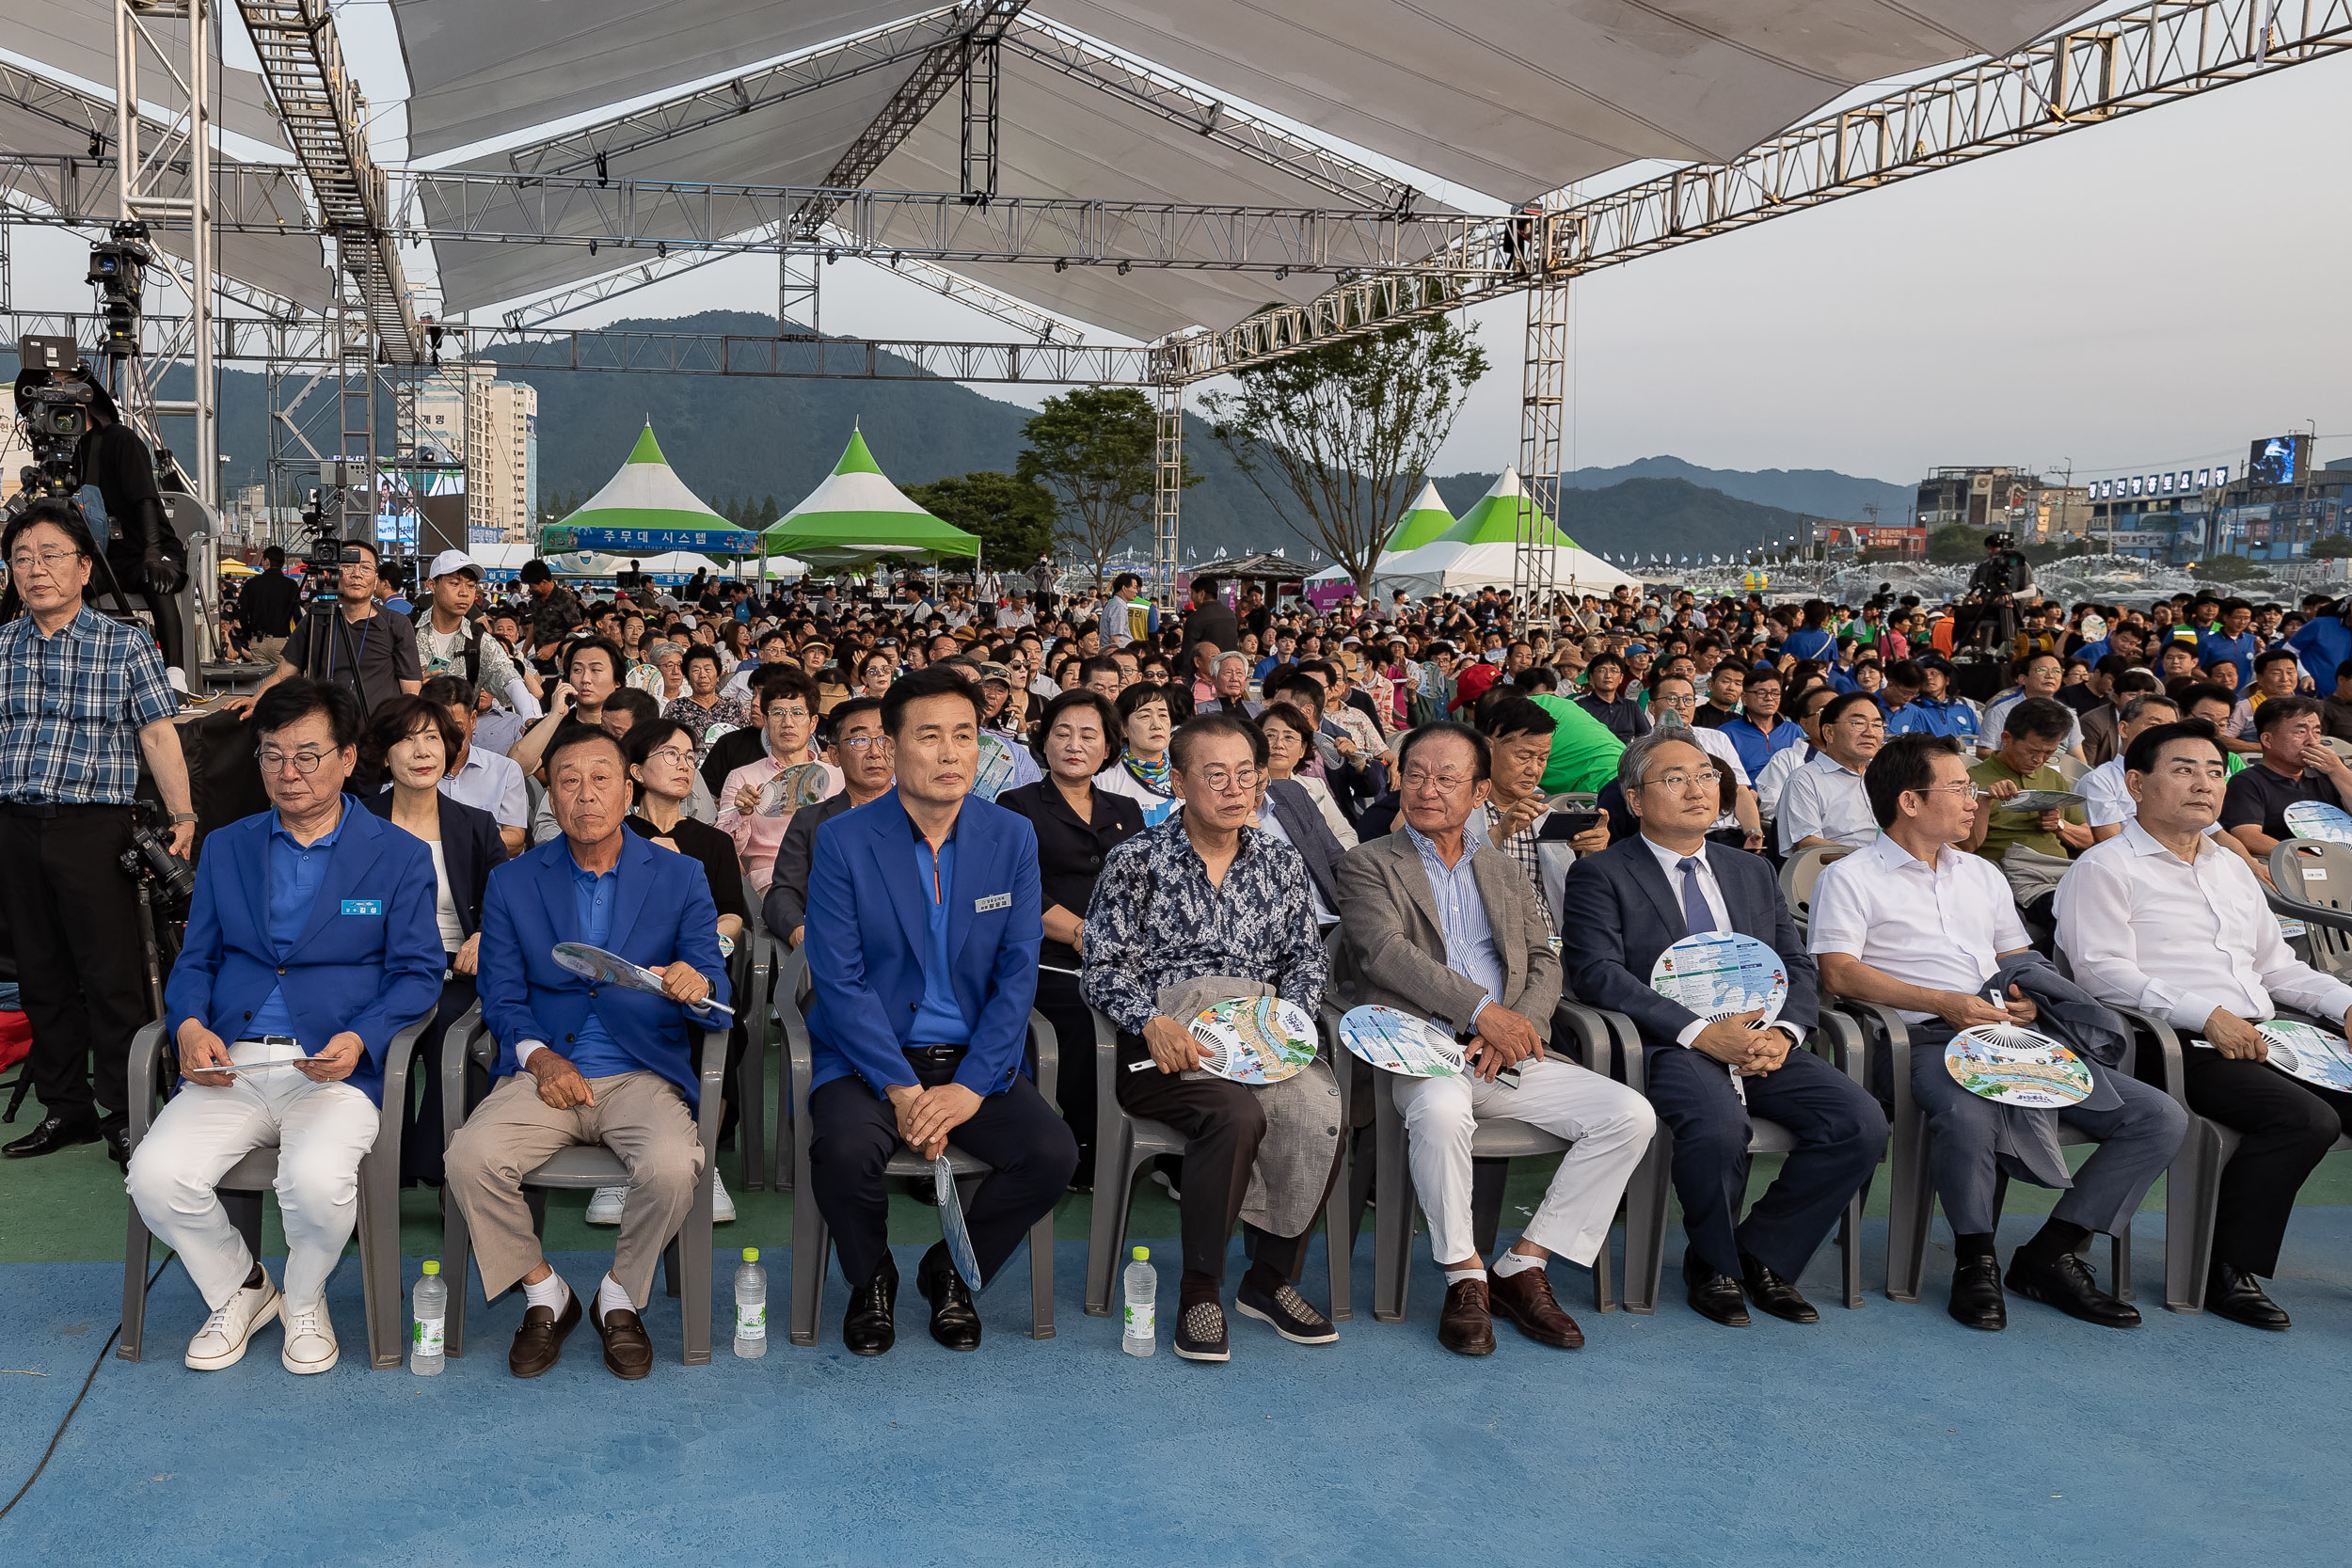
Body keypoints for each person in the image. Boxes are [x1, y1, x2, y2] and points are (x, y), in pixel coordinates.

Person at [1812, 734, 2186, 1331]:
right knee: (1969, 1113)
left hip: (2004, 1034)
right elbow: (1838, 971)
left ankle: (2051, 1252)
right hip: (1916, 1039)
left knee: (2157, 1117)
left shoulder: (1981, 875)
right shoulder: (1851, 875)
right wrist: (1945, 1003)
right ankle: (1975, 1259)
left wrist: (2028, 1001)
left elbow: (2017, 956)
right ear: (1910, 801)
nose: (1974, 798)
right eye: (1960, 788)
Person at [128, 678, 441, 1371]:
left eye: (307, 755)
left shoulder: (397, 857)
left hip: (336, 1065)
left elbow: (419, 974)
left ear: (348, 756)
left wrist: (362, 1035)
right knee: (154, 1173)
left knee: (317, 1177)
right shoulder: (231, 847)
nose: (288, 773)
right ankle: (244, 1287)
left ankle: (305, 1298)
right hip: (234, 1060)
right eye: (272, 756)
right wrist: (186, 1025)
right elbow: (197, 958)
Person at [1337, 723, 1655, 1355]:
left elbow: (1545, 959)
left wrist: (1522, 1027)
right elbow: (1387, 956)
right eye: (1417, 773)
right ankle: (1464, 1274)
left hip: (1505, 1053)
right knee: (1442, 1107)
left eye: (1448, 778)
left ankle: (1524, 1262)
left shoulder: (1502, 868)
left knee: (1629, 1114)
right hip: (1421, 1048)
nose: (1428, 789)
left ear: (1480, 789)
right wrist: (1487, 1013)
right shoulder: (1368, 862)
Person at [1563, 731, 1886, 1328]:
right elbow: (1598, 974)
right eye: (1675, 778)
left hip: (1761, 1039)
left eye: (1707, 776)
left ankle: (1763, 1254)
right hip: (1669, 1044)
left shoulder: (1751, 870)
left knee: (1859, 1124)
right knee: (1716, 1129)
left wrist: (1785, 1032)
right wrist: (1699, 1034)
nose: (1697, 790)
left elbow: (1794, 963)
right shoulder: (1603, 873)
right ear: (1635, 800)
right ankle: (1713, 1264)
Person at [802, 667, 1077, 1355]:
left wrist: (969, 1088)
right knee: (842, 1151)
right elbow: (840, 981)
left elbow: (1018, 973)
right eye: (930, 736)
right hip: (868, 1057)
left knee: (1051, 1154)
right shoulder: (843, 840)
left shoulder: (1009, 837)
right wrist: (900, 1087)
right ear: (891, 750)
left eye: (965, 735)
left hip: (972, 1057)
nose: (952, 752)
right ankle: (871, 1277)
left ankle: (951, 1267)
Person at [445, 724, 730, 1380]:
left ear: (628, 786)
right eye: (568, 780)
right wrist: (540, 1058)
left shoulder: (681, 875)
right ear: (551, 792)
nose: (585, 795)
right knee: (470, 1156)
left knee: (670, 1163)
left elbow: (715, 977)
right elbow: (502, 993)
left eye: (601, 778)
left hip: (641, 1071)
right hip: (546, 1071)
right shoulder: (515, 881)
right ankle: (547, 1292)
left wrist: (698, 981)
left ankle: (619, 1295)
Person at [2057, 720, 2352, 1329]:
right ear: (2136, 784)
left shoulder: (2229, 868)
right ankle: (2225, 1268)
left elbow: (2276, 968)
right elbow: (2099, 973)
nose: (2204, 783)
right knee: (2303, 1118)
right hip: (2162, 1042)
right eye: (2184, 769)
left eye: (2216, 771)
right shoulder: (2107, 866)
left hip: (2261, 1036)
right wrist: (2206, 1014)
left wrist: (2343, 1003)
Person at [1084, 710, 1343, 1362]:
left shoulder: (1280, 862)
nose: (1235, 789)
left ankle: (1269, 1279)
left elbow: (1305, 958)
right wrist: (1148, 1017)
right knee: (1232, 1112)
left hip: (1259, 1027)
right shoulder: (1136, 860)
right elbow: (1102, 965)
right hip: (1167, 1037)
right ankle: (1201, 1288)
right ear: (1177, 780)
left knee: (1323, 1108)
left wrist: (1291, 1021)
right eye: (1216, 774)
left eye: (1247, 775)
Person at [0, 500, 195, 1163]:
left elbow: (158, 733)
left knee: (112, 975)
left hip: (97, 826)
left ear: (85, 567)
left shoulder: (125, 642)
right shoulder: (1, 645)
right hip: (16, 826)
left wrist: (184, 816)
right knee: (40, 973)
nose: (35, 569)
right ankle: (67, 1108)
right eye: (22, 558)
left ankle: (126, 1107)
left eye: (51, 555)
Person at [358, 694, 507, 1186]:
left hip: (456, 968)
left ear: (448, 751)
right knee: (377, 1041)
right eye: (406, 739)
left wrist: (485, 934)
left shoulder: (475, 824)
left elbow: (506, 900)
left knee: (455, 1038)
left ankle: (437, 1166)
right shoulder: (357, 823)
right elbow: (346, 908)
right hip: (377, 968)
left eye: (432, 739)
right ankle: (377, 1173)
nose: (421, 751)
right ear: (384, 753)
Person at [996, 689, 1147, 1178]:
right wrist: (1083, 933)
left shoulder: (1126, 808)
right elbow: (1018, 891)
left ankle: (1150, 1133)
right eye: (1062, 732)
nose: (1074, 744)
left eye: (1088, 734)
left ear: (1108, 747)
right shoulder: (1016, 804)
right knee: (1084, 1016)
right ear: (1044, 741)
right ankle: (1090, 1139)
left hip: (1125, 953)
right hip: (1049, 954)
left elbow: (1144, 887)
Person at [763, 698, 896, 951]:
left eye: (884, 739)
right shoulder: (811, 820)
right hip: (835, 950)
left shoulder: (920, 816)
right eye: (859, 741)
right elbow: (783, 894)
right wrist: (799, 931)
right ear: (834, 755)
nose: (875, 752)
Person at [245, 539, 422, 724]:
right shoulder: (316, 620)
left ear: (376, 579)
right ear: (333, 575)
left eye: (366, 568)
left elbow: (410, 690)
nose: (356, 575)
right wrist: (254, 700)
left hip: (378, 734)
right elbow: (283, 674)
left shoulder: (396, 623)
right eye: (347, 567)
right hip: (326, 731)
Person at [1964, 695, 2092, 925]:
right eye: (2033, 751)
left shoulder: (2053, 777)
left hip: (2061, 872)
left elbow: (2087, 839)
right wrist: (1984, 803)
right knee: (2073, 914)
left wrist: (2060, 826)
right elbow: (1964, 847)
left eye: (2049, 753)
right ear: (2007, 739)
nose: (2039, 759)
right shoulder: (1972, 781)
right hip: (2014, 877)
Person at [715, 672, 842, 893]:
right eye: (778, 713)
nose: (787, 722)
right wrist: (742, 814)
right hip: (773, 880)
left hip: (832, 876)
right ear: (765, 720)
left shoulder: (837, 777)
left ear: (813, 723)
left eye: (797, 712)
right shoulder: (743, 778)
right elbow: (722, 849)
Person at [2220, 696, 2352, 857]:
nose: (2312, 741)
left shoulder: (2328, 774)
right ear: (2268, 740)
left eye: (2317, 732)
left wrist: (2338, 769)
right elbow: (2249, 837)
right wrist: (2321, 860)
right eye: (2300, 732)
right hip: (2294, 868)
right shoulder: (2247, 782)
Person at [415, 549, 537, 721]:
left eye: (471, 586)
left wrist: (528, 715)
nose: (464, 592)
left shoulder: (480, 640)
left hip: (459, 741)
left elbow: (508, 677)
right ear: (432, 585)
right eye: (454, 584)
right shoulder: (407, 632)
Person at [417, 674, 529, 857]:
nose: (448, 738)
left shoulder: (505, 770)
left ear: (473, 720)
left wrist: (458, 840)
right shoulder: (407, 774)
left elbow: (515, 841)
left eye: (456, 727)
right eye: (437, 729)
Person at [1777, 690, 1883, 854]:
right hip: (1840, 872)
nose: (1870, 733)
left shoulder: (1886, 776)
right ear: (1829, 732)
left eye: (1877, 725)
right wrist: (1870, 857)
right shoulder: (1805, 780)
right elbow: (1807, 844)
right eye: (1858, 723)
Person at [1258, 703, 1355, 848]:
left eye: (1289, 737)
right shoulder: (1244, 789)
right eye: (1270, 735)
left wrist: (1319, 858)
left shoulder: (1316, 787)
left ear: (1302, 749)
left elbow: (1347, 835)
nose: (1279, 744)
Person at [1094, 680, 1180, 826]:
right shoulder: (1104, 780)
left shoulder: (1184, 776)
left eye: (1163, 715)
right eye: (1145, 716)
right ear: (1123, 727)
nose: (1157, 725)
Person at [1719, 667, 1804, 782]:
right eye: (1761, 692)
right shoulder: (1726, 734)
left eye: (1775, 693)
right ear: (1744, 698)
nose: (1769, 698)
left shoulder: (1794, 731)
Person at [240, 545, 301, 668]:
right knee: (285, 680)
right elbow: (297, 616)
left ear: (267, 561)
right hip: (282, 640)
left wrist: (248, 636)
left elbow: (242, 614)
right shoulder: (291, 585)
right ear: (282, 563)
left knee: (262, 681)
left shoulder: (251, 584)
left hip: (258, 640)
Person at [518, 559, 585, 673]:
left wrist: (554, 647)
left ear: (544, 582)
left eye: (531, 585)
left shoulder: (565, 600)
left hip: (561, 660)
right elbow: (534, 626)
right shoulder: (536, 599)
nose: (530, 589)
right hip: (540, 659)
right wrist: (524, 651)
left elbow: (579, 633)